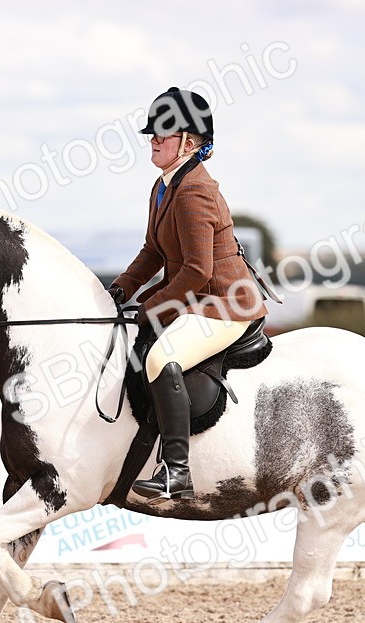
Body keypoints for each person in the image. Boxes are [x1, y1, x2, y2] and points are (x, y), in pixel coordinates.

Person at [109, 87, 267, 503]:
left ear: (190, 142)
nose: (153, 139)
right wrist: (122, 287)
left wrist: (148, 308)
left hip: (225, 307)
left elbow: (198, 271)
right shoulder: (163, 186)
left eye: (163, 132)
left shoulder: (195, 190)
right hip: (198, 299)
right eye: (152, 133)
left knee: (162, 358)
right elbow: (153, 252)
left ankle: (176, 472)